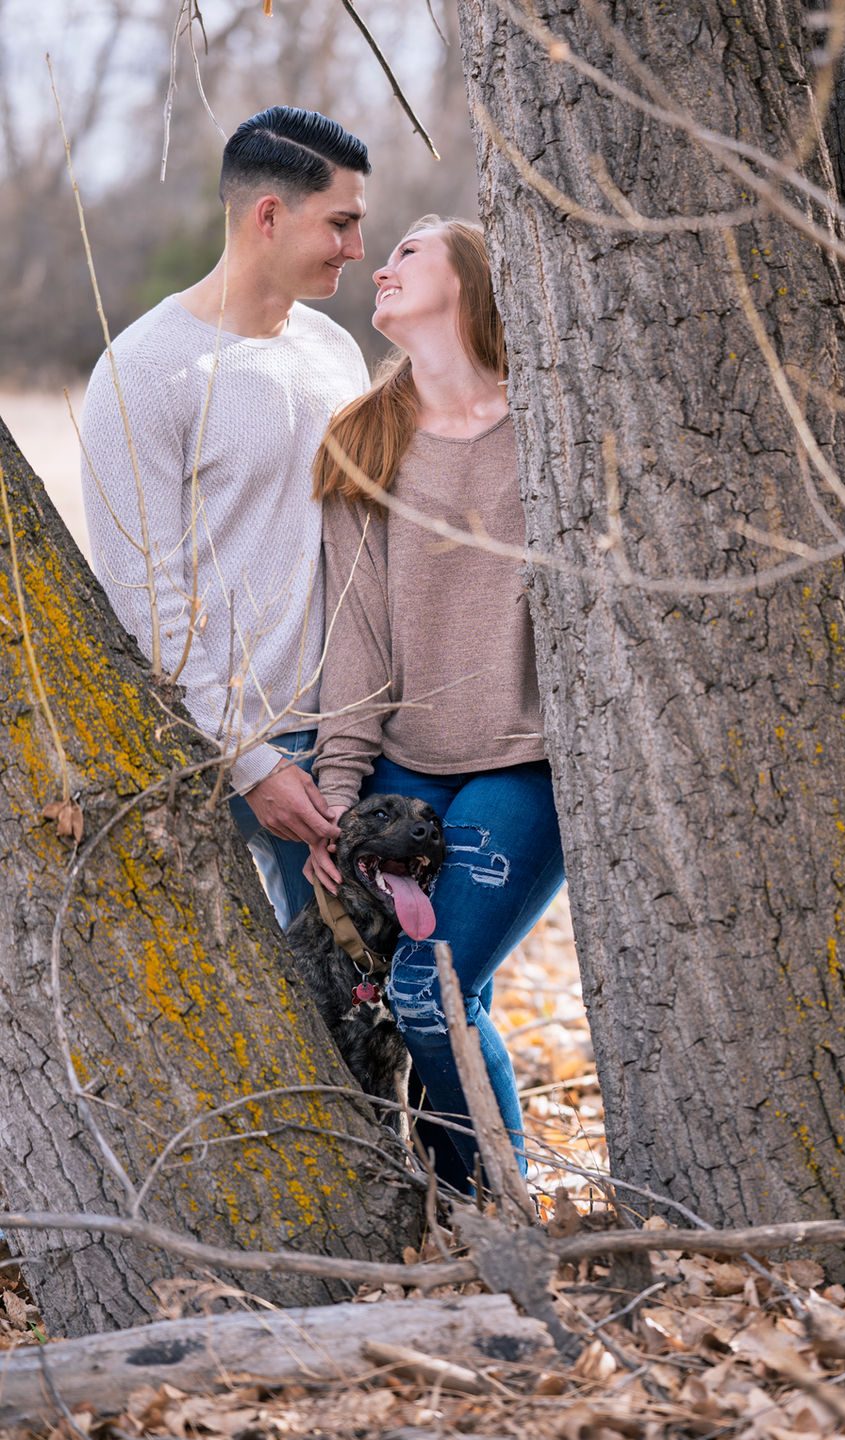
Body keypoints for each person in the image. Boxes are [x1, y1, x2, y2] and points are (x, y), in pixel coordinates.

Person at [307, 216, 565, 1192]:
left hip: (519, 767)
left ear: (472, 280)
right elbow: (354, 631)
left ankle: (501, 1218)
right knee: (437, 996)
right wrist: (336, 788)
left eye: (409, 251)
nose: (380, 264)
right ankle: (462, 1215)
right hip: (402, 769)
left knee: (432, 994)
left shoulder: (550, 431)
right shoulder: (362, 435)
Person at [80, 106, 371, 928]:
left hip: (348, 742)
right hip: (223, 754)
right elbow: (144, 594)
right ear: (268, 215)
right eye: (340, 224)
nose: (355, 249)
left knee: (376, 996)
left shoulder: (333, 351)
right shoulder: (142, 370)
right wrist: (251, 760)